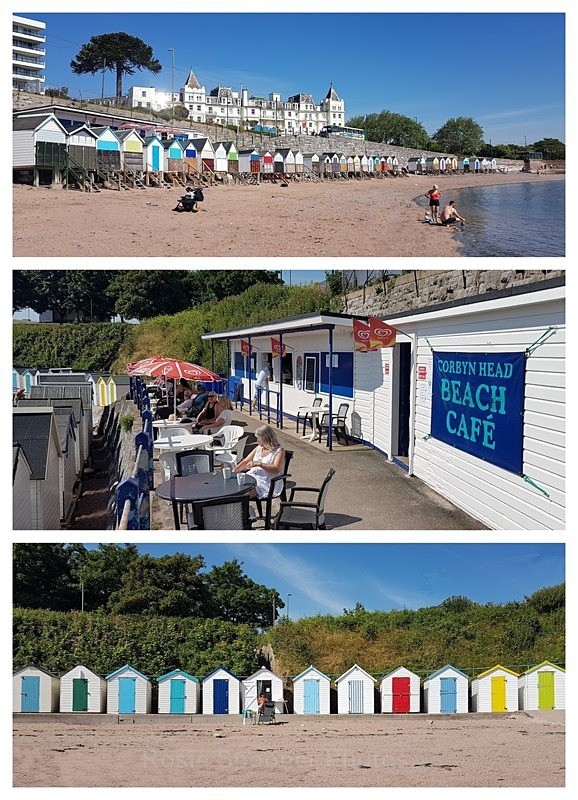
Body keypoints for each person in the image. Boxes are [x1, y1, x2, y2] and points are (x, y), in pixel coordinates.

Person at [233, 424, 285, 501]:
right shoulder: (259, 448)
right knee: (232, 489)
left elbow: (276, 469)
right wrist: (234, 471)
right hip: (252, 477)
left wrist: (259, 464)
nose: (257, 441)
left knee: (241, 496)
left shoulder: (279, 450)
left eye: (258, 438)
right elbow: (246, 461)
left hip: (266, 482)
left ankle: (243, 512)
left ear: (265, 438)